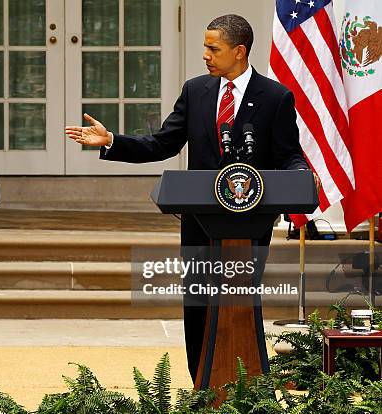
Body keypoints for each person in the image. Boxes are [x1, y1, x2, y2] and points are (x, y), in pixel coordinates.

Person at [66, 14, 319, 382]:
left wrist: (300, 174)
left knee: (240, 303)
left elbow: (288, 153)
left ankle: (246, 386)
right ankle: (202, 385)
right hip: (201, 223)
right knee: (199, 307)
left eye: (213, 48)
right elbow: (163, 143)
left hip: (249, 223)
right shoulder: (196, 90)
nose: (205, 55)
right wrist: (111, 142)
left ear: (239, 51)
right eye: (204, 47)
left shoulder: (275, 97)